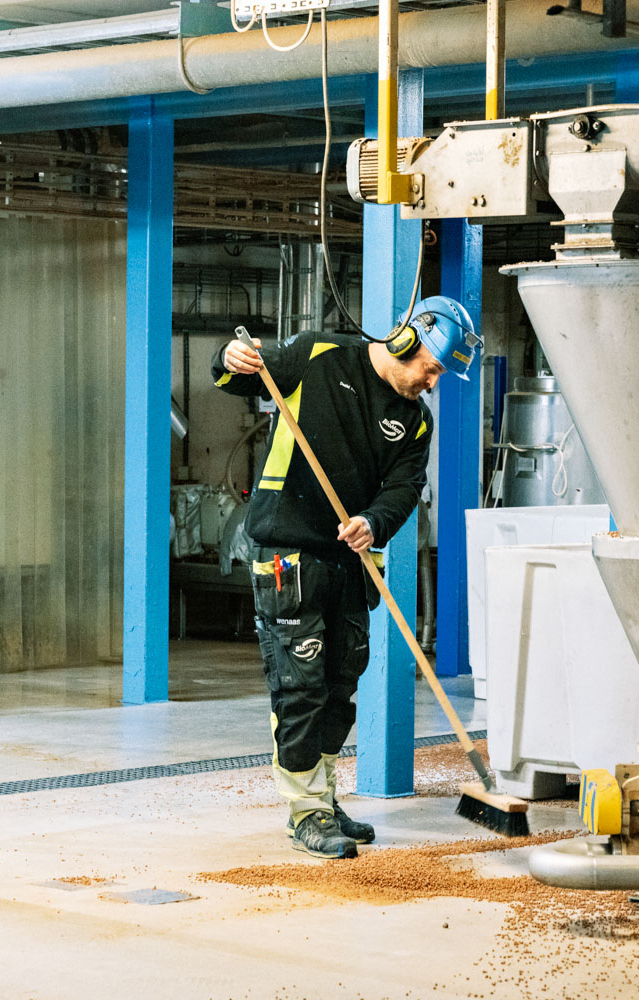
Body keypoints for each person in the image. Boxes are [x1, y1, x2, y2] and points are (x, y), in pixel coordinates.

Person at [210, 296, 481, 859]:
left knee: (339, 687)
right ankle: (305, 812)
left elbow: (403, 488)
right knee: (300, 685)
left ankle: (323, 800)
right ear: (405, 340)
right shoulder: (318, 356)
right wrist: (228, 356)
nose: (431, 382)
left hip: (349, 561)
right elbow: (238, 380)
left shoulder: (415, 420)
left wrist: (372, 523)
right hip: (288, 551)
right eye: (430, 366)